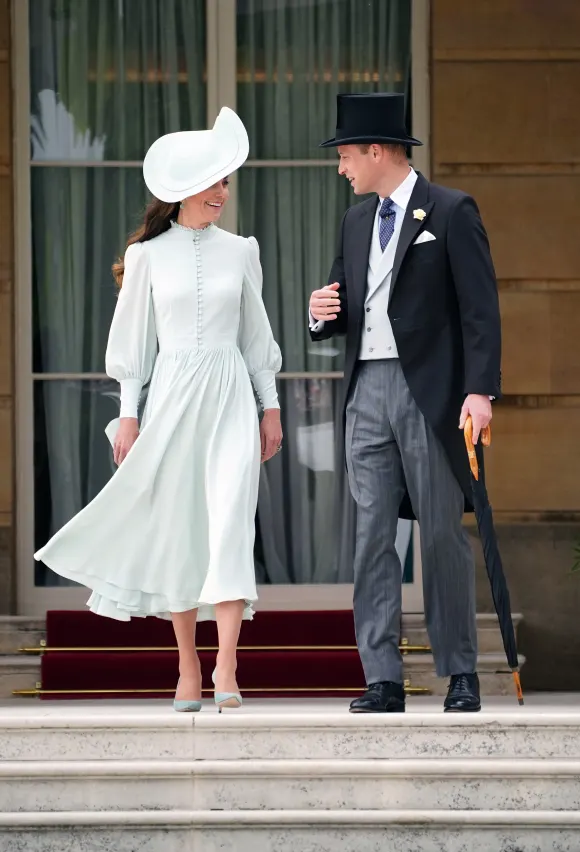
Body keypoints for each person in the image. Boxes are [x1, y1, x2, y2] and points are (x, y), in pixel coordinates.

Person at [35, 107, 283, 713]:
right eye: (214, 181)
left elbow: (256, 337)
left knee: (229, 525)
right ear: (184, 190)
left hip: (229, 397)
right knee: (179, 533)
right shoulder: (146, 257)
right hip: (171, 398)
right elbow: (132, 344)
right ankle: (188, 668)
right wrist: (128, 411)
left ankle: (227, 662)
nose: (223, 191)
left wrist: (269, 407)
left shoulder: (241, 251)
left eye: (226, 181)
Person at [309, 93, 501, 713]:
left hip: (432, 395)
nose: (341, 167)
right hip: (367, 391)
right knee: (371, 537)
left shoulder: (450, 210)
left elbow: (479, 310)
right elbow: (345, 304)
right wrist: (319, 316)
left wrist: (480, 391)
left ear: (375, 150)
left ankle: (460, 673)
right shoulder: (355, 220)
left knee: (442, 532)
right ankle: (383, 677)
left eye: (345, 155)